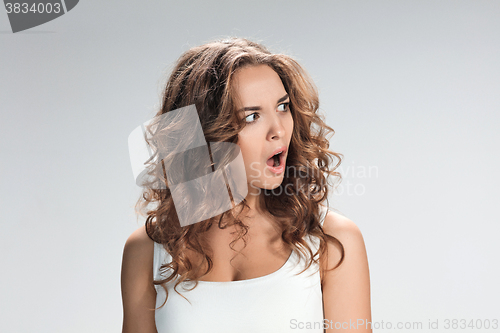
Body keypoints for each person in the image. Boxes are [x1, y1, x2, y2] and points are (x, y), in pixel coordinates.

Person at [121, 37, 372, 333]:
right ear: (205, 133)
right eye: (251, 117)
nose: (278, 130)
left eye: (283, 106)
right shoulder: (148, 250)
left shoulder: (331, 241)